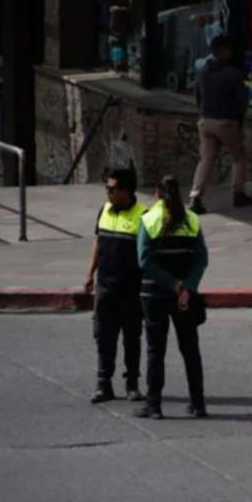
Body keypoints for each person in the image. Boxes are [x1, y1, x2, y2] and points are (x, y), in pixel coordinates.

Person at [135, 175, 209, 420]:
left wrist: (172, 284)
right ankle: (198, 404)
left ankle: (154, 406)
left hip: (154, 294)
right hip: (185, 297)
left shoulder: (148, 219)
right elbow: (201, 259)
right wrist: (186, 287)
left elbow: (144, 260)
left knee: (156, 350)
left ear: (157, 193)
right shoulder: (192, 220)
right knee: (190, 348)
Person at [85, 169, 146, 403]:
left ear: (126, 190)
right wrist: (90, 274)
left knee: (132, 337)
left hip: (131, 290)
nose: (108, 193)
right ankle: (103, 385)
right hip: (105, 287)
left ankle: (132, 384)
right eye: (107, 189)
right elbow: (97, 241)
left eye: (112, 189)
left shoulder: (143, 215)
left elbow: (147, 254)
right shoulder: (104, 210)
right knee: (104, 337)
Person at [188, 36, 252, 215]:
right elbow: (242, 101)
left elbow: (197, 97)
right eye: (229, 49)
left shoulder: (202, 72)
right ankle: (238, 193)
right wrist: (239, 120)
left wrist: (203, 113)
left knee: (206, 159)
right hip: (226, 121)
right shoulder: (234, 74)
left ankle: (196, 197)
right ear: (223, 51)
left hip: (205, 120)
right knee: (238, 157)